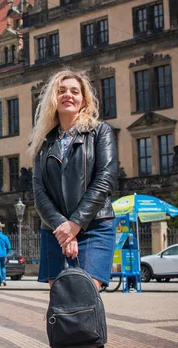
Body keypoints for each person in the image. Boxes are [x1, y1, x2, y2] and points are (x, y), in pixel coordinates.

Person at [30, 69, 117, 293]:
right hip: (54, 229)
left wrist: (75, 225)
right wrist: (63, 228)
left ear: (84, 100)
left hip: (95, 224)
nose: (68, 95)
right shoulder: (42, 143)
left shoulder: (100, 132)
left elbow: (104, 180)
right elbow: (39, 194)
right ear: (53, 99)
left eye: (74, 91)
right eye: (61, 91)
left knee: (84, 295)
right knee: (60, 300)